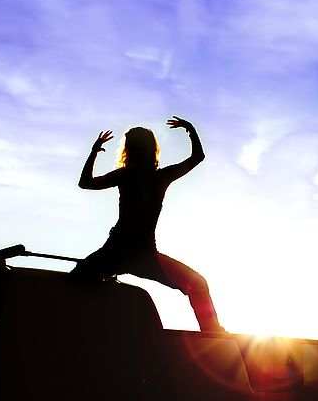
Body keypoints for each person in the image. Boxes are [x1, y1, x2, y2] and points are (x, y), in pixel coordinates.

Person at [70, 116, 223, 332]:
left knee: (75, 280)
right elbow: (197, 157)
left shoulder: (127, 176)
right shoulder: (158, 177)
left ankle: (214, 333)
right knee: (198, 284)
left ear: (128, 151)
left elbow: (85, 183)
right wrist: (190, 129)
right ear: (153, 150)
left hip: (120, 253)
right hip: (137, 255)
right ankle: (213, 331)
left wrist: (94, 152)